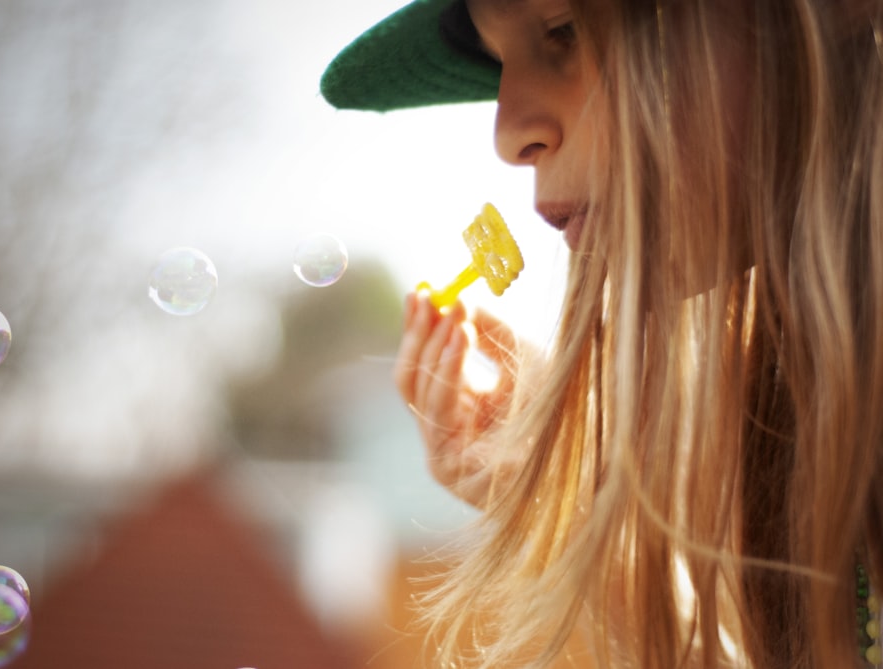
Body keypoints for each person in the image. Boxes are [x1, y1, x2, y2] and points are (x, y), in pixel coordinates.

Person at [322, 0, 883, 668]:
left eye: (565, 28)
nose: (506, 132)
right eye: (501, 66)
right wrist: (563, 513)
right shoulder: (807, 412)